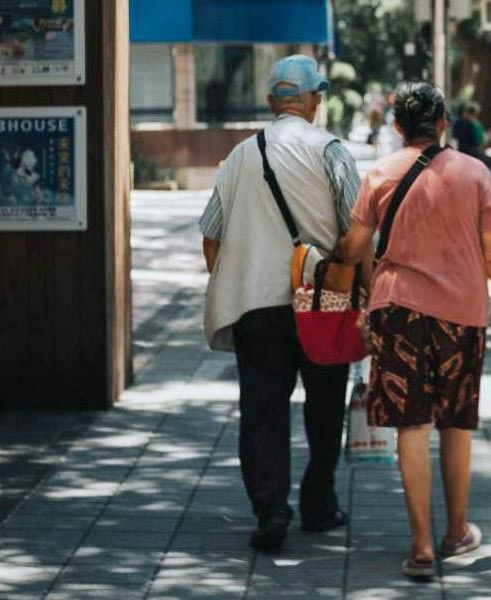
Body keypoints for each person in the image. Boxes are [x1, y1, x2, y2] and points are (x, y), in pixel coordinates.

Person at [337, 81, 491, 578]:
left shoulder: (381, 173)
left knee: (413, 425)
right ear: (444, 122)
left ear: (398, 126)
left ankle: (422, 548)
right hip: (461, 316)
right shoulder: (475, 173)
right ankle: (456, 532)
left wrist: (363, 291)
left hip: (397, 312)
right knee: (456, 423)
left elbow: (353, 247)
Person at [198, 55, 361, 551]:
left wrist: (235, 280)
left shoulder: (240, 156)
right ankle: (318, 502)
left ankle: (270, 512)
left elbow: (210, 235)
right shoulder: (331, 151)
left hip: (256, 307)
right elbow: (357, 234)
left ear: (271, 102)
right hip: (324, 300)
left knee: (263, 410)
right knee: (326, 403)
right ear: (314, 100)